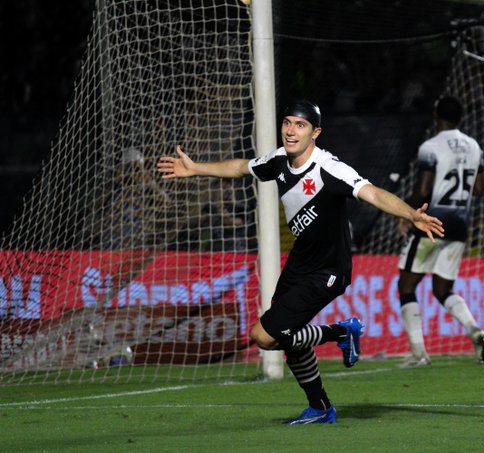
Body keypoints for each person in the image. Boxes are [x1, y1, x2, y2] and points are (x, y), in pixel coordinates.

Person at [158, 100, 444, 424]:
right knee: (284, 337)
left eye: (301, 125)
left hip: (329, 269)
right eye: (288, 123)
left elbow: (374, 194)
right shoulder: (279, 160)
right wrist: (196, 169)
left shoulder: (330, 169)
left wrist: (411, 214)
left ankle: (338, 333)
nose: (291, 131)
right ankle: (321, 406)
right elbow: (240, 168)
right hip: (299, 263)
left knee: (265, 336)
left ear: (316, 132)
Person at [396, 96, 484, 367]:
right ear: (460, 118)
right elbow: (480, 189)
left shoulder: (431, 146)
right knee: (442, 289)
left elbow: (424, 190)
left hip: (432, 223)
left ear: (436, 116)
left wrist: (406, 213)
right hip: (460, 225)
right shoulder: (474, 146)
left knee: (406, 286)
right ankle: (475, 330)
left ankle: (419, 355)